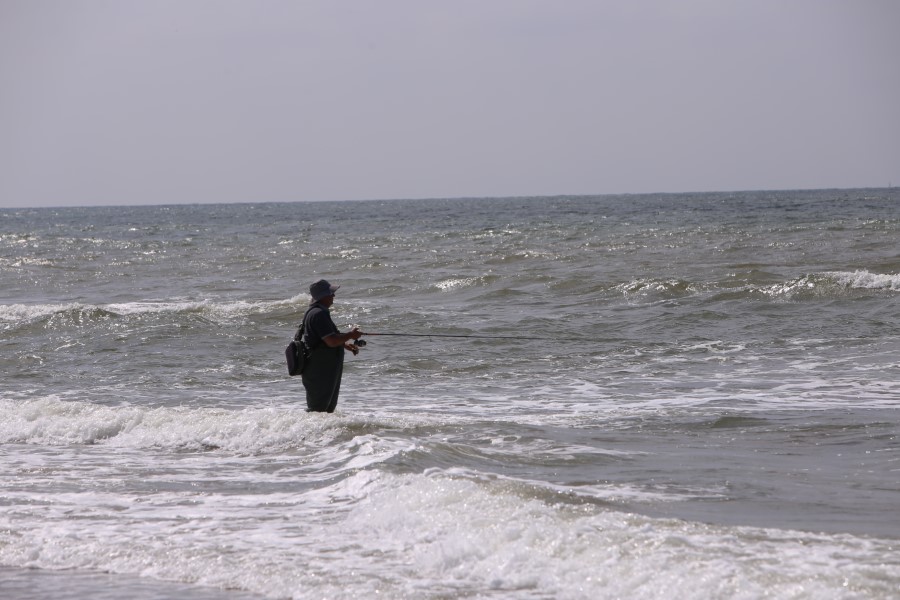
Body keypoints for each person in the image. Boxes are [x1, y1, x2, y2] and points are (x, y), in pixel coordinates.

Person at [300, 279, 362, 413]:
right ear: (323, 296)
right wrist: (351, 335)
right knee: (318, 410)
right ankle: (307, 433)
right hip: (320, 370)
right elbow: (331, 341)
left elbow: (325, 339)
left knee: (326, 410)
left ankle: (319, 433)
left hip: (322, 368)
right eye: (331, 293)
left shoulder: (316, 312)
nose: (333, 296)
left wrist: (345, 344)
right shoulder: (318, 314)